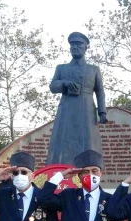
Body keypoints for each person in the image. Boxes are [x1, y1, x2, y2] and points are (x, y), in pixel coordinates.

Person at [47, 32, 108, 165]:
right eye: (72, 45)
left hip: (87, 108)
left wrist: (102, 112)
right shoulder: (62, 68)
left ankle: (89, 168)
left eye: (79, 44)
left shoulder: (94, 69)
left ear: (86, 48)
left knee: (88, 141)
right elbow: (53, 87)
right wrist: (65, 83)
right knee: (63, 139)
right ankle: (59, 168)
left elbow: (99, 91)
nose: (75, 47)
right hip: (67, 108)